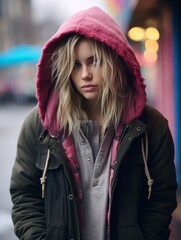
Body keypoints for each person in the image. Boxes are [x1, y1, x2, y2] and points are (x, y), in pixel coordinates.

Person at [10, 6, 177, 240]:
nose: (85, 74)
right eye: (76, 65)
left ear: (115, 60)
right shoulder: (39, 126)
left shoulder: (151, 126)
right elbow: (24, 196)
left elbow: (162, 197)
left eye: (94, 61)